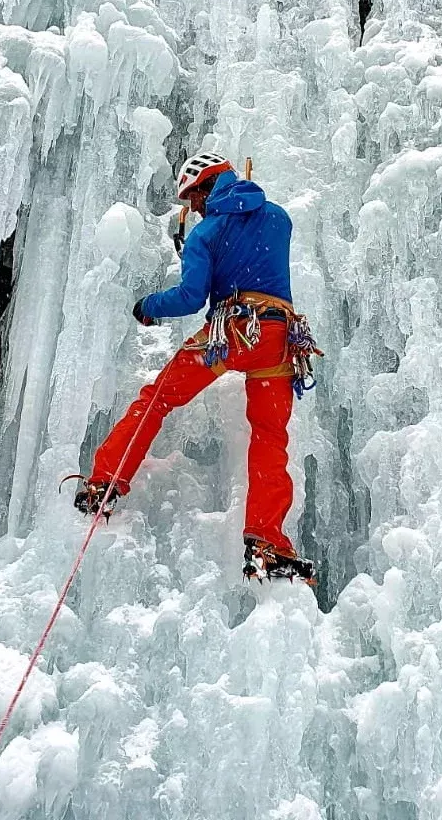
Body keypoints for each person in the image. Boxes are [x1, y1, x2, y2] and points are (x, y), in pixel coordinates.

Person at [74, 152, 318, 583]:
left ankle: (105, 481)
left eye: (194, 199)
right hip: (279, 340)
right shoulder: (279, 218)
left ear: (207, 186)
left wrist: (148, 306)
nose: (194, 208)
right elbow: (255, 243)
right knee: (269, 436)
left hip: (233, 331)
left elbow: (191, 298)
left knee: (159, 397)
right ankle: (266, 541)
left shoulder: (207, 231)